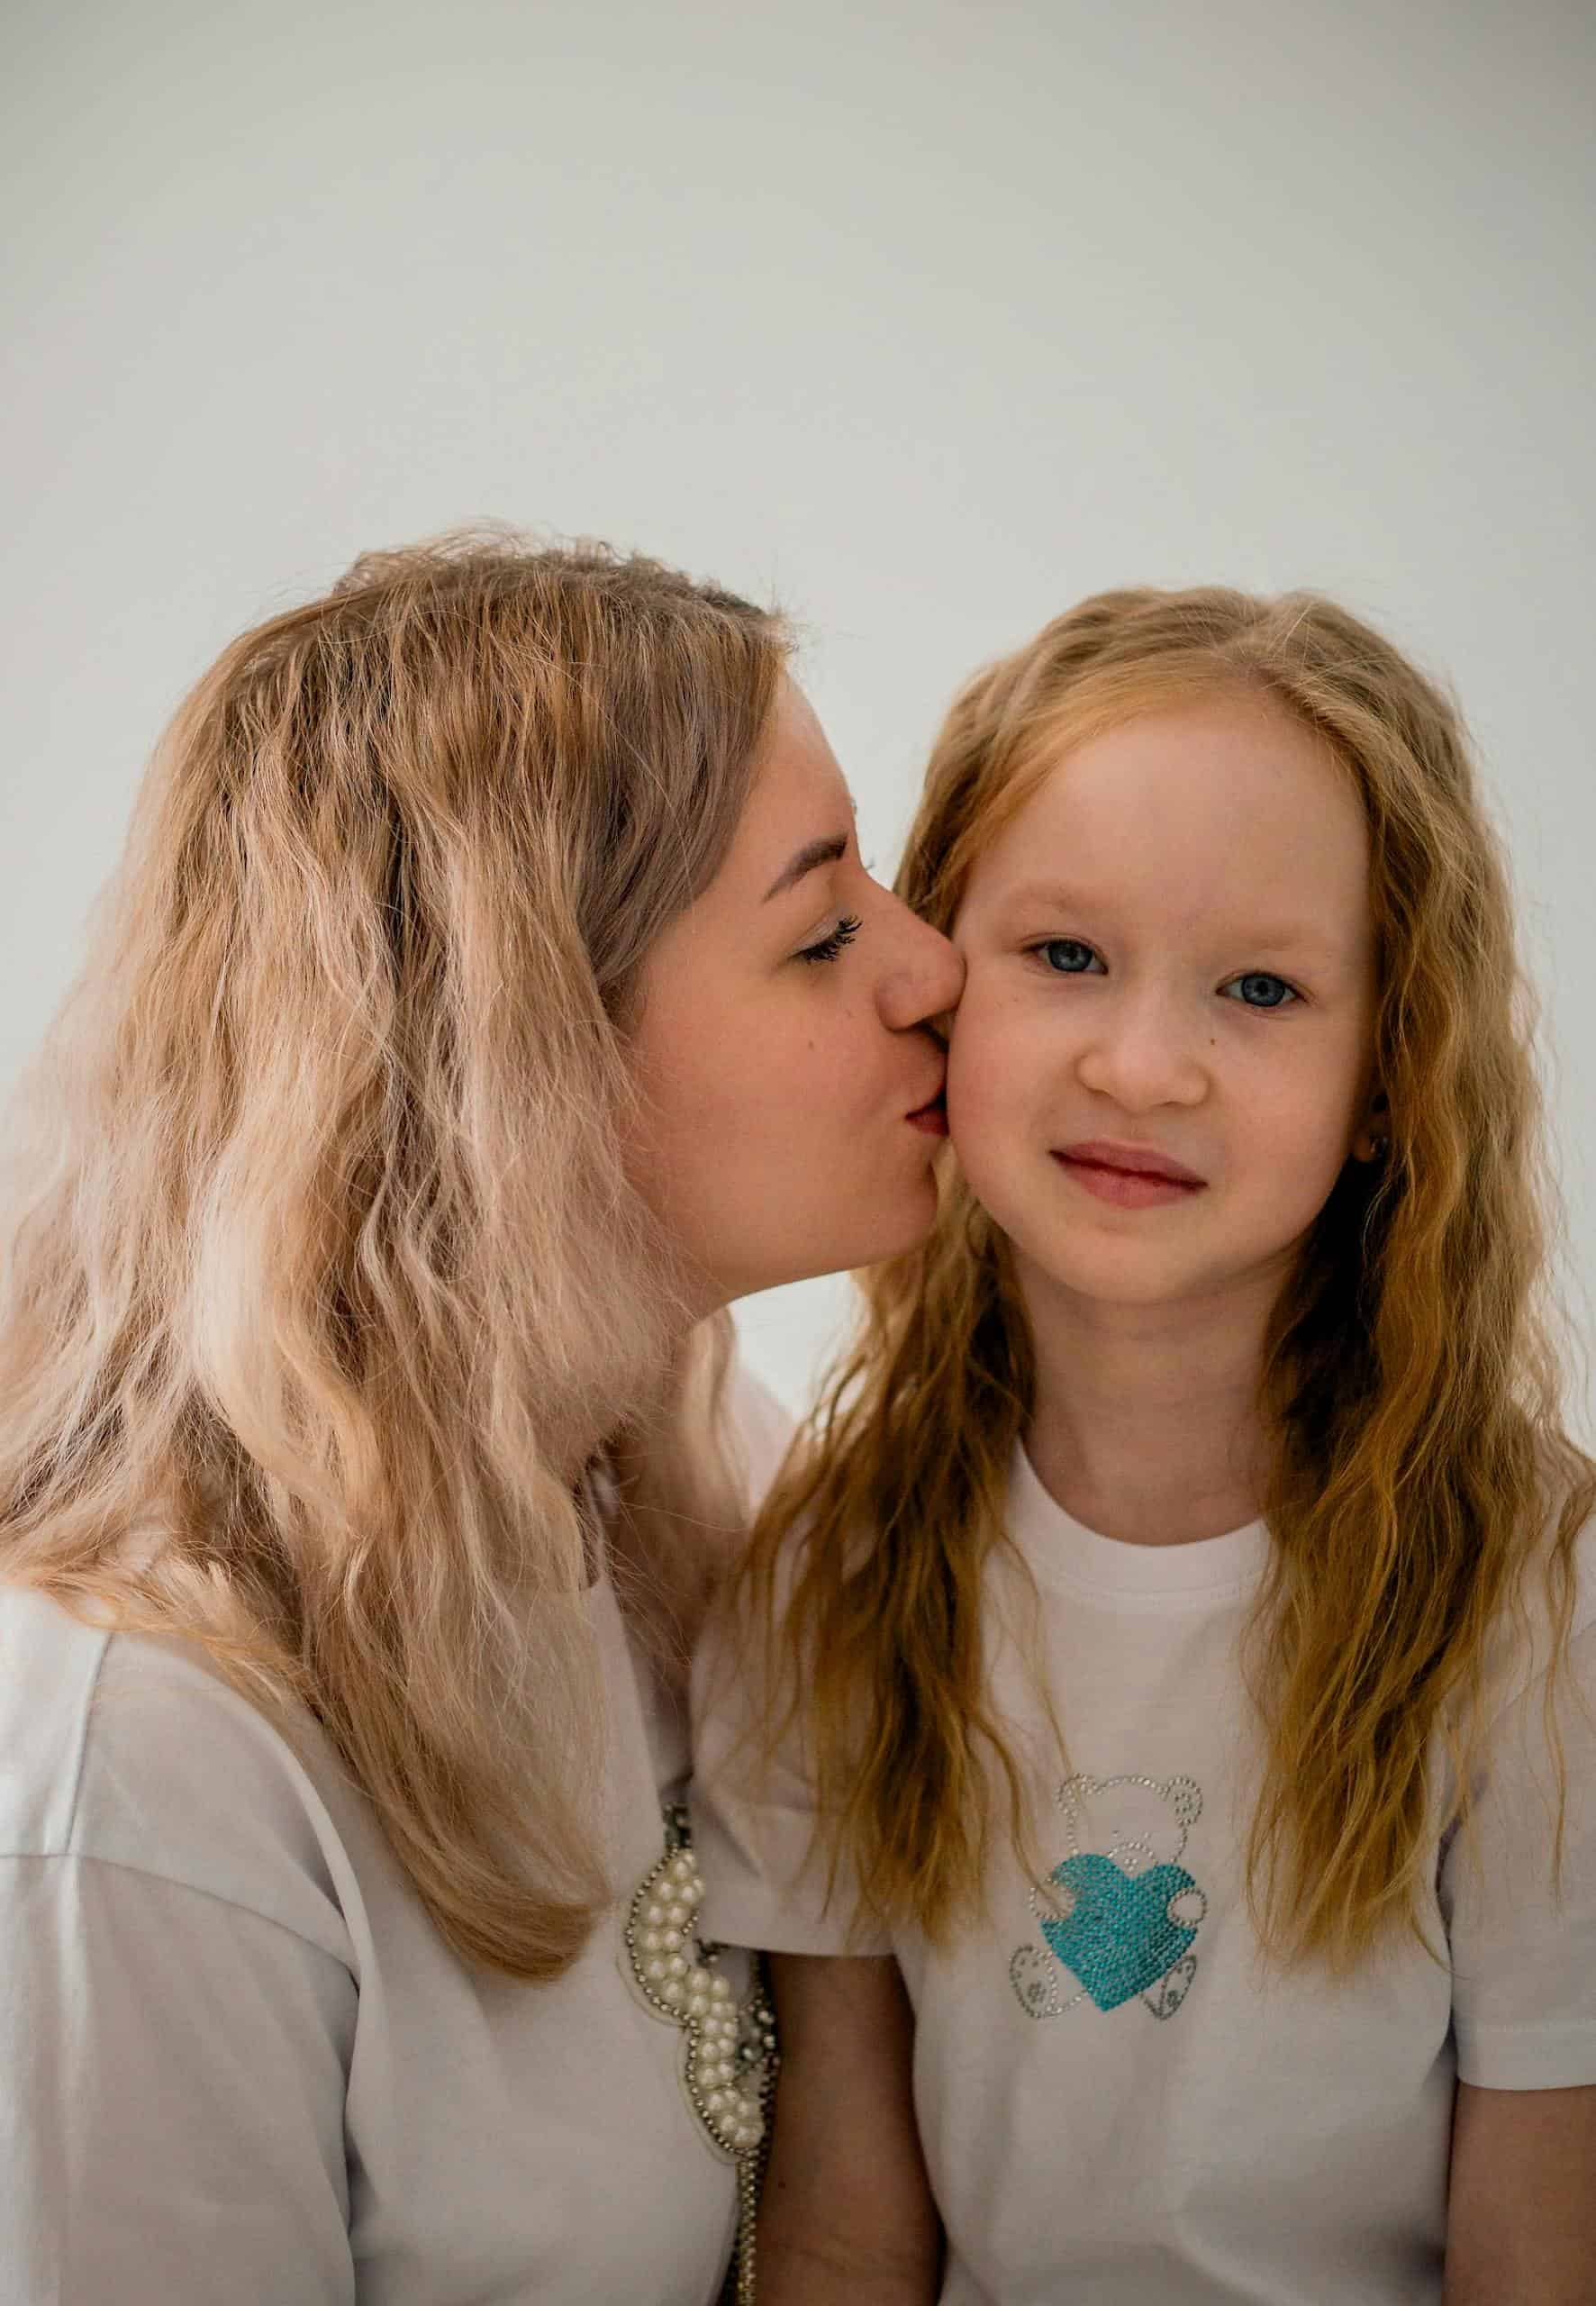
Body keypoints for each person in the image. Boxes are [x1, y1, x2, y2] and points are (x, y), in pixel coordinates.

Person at [0, 529, 963, 2305]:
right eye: (824, 928)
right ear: (521, 1055)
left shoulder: (692, 1463)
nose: (936, 971)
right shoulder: (144, 1762)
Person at [691, 586, 1596, 2305]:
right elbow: (841, 2230)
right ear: (937, 981)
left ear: (1393, 1072)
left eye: (1260, 987)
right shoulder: (835, 1572)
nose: (1145, 1063)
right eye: (1065, 956)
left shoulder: (1541, 1600)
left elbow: (1541, 2258)